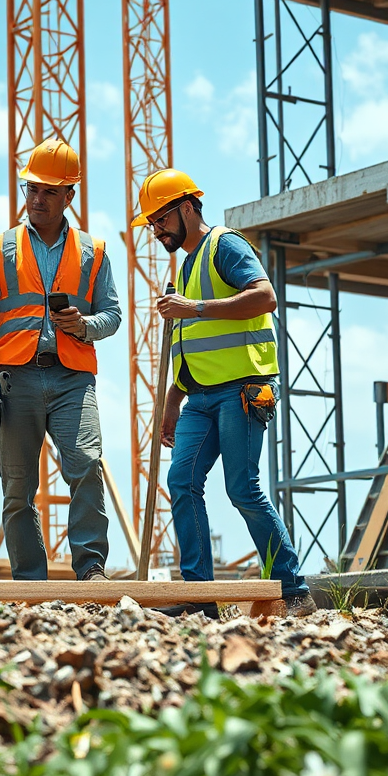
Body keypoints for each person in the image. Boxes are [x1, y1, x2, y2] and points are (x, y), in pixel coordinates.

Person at [133, 168, 316, 618]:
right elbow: (190, 346)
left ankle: (295, 592)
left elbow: (265, 297)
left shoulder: (225, 245)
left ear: (186, 208)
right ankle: (201, 598)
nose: (155, 231)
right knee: (182, 481)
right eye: (151, 224)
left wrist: (194, 307)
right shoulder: (187, 266)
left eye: (160, 220)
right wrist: (171, 405)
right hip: (200, 399)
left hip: (243, 389)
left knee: (242, 489)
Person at [0, 139, 121, 582]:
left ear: (70, 196)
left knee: (87, 465)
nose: (37, 199)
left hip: (73, 379)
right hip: (16, 382)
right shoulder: (0, 248)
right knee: (17, 488)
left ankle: (91, 570)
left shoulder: (95, 252)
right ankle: (30, 581)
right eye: (31, 189)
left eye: (49, 191)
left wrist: (84, 325)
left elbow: (114, 315)